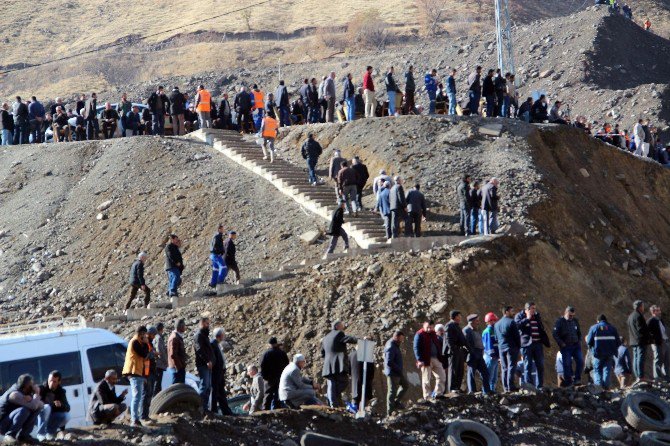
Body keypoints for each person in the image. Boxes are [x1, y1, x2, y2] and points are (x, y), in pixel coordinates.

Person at [321, 321, 357, 407]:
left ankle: (332, 400)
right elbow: (348, 339)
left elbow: (322, 353)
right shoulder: (339, 333)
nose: (343, 328)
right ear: (337, 327)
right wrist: (360, 340)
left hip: (328, 365)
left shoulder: (325, 338)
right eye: (342, 326)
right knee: (344, 381)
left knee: (331, 383)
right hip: (337, 364)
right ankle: (332, 397)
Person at [515, 302, 551, 389]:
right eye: (532, 308)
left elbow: (540, 327)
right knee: (528, 365)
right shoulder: (519, 316)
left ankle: (540, 385)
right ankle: (529, 385)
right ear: (527, 309)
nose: (534, 310)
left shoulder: (537, 316)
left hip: (537, 343)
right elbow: (516, 326)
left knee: (540, 365)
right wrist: (527, 318)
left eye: (535, 308)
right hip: (526, 345)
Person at [0, 374, 43, 442]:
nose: (33, 386)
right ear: (27, 385)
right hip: (2, 425)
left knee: (35, 409)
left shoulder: (25, 392)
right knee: (25, 410)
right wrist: (37, 393)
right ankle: (10, 435)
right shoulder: (15, 394)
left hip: (9, 421)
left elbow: (41, 405)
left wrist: (32, 400)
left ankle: (24, 436)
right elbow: (34, 406)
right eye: (32, 385)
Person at [122, 326, 150, 427]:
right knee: (137, 396)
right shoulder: (135, 342)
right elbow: (143, 354)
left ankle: (135, 418)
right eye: (144, 334)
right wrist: (146, 343)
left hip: (136, 371)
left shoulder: (137, 342)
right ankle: (134, 419)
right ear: (141, 334)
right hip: (133, 371)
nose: (145, 336)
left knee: (137, 396)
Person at [585, 314, 620, 389]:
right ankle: (606, 387)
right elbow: (618, 342)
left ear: (598, 321)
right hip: (609, 354)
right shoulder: (613, 328)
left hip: (597, 354)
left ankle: (598, 388)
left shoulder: (594, 327)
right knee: (607, 370)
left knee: (597, 370)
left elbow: (588, 341)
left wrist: (592, 349)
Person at [413, 320, 446, 399]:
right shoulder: (419, 334)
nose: (429, 329)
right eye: (427, 327)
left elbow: (437, 344)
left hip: (436, 358)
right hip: (425, 360)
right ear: (423, 325)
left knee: (441, 376)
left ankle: (438, 393)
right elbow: (416, 348)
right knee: (426, 379)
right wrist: (419, 360)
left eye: (430, 327)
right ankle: (427, 397)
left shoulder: (433, 334)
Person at [553, 306, 583, 387]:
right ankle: (568, 381)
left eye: (573, 315)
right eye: (570, 315)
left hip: (576, 345)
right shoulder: (560, 321)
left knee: (580, 361)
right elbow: (555, 334)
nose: (571, 317)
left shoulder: (575, 321)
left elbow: (579, 332)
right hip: (566, 346)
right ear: (566, 313)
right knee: (567, 363)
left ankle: (577, 379)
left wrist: (579, 340)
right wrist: (561, 343)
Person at [463, 314, 492, 394]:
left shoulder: (477, 329)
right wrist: (472, 352)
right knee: (471, 373)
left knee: (485, 372)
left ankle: (486, 390)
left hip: (479, 354)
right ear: (471, 322)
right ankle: (472, 391)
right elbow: (467, 344)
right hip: (472, 354)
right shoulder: (466, 330)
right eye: (477, 321)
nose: (478, 322)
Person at [494, 306, 520, 392]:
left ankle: (505, 388)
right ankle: (511, 386)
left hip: (501, 348)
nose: (514, 313)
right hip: (511, 347)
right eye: (512, 311)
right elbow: (517, 336)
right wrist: (518, 346)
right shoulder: (512, 322)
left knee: (504, 368)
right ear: (506, 312)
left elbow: (496, 338)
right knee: (511, 366)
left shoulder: (497, 324)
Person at [260, 337, 290, 410]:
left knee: (268, 395)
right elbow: (287, 364)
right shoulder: (282, 353)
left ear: (269, 344)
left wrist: (265, 377)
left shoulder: (266, 353)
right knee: (278, 394)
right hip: (281, 377)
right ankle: (278, 409)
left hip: (270, 379)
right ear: (276, 343)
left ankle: (265, 411)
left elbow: (262, 366)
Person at [211, 327, 233, 415]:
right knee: (216, 392)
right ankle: (214, 411)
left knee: (221, 393)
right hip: (216, 373)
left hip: (220, 372)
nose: (224, 337)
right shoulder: (213, 344)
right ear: (220, 335)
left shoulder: (217, 344)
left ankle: (226, 412)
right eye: (223, 335)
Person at [384, 330, 407, 416]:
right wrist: (398, 368)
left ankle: (396, 402)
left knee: (405, 385)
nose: (402, 341)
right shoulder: (391, 346)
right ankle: (390, 411)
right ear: (396, 337)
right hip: (392, 373)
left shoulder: (395, 344)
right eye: (401, 339)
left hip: (397, 372)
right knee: (391, 391)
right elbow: (389, 362)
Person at [628, 299, 651, 382]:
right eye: (642, 305)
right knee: (640, 358)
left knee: (636, 358)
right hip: (640, 341)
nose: (643, 307)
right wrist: (647, 337)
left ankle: (637, 376)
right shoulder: (638, 316)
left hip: (633, 340)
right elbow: (641, 329)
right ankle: (641, 376)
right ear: (640, 307)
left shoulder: (630, 316)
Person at [445, 311, 467, 393]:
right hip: (453, 351)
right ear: (455, 317)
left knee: (459, 370)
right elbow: (448, 340)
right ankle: (452, 388)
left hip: (459, 350)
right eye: (459, 316)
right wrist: (453, 349)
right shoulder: (449, 325)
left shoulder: (457, 326)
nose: (460, 317)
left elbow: (462, 339)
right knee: (453, 370)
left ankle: (457, 387)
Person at [648, 305, 670, 382]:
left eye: (659, 310)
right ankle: (657, 377)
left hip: (665, 342)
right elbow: (647, 333)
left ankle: (667, 376)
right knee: (658, 360)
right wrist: (653, 341)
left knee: (667, 360)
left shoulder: (660, 320)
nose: (659, 312)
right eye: (657, 311)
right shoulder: (651, 321)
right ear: (653, 312)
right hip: (657, 343)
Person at [141, 326, 158, 423]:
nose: (154, 337)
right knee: (146, 394)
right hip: (146, 373)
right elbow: (145, 357)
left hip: (150, 372)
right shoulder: (144, 344)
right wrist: (153, 353)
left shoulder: (149, 343)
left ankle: (146, 415)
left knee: (149, 394)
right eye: (153, 335)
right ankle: (143, 416)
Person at [482, 312, 499, 392]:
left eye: (495, 320)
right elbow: (488, 345)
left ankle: (492, 391)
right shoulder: (488, 331)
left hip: (495, 357)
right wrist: (492, 354)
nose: (494, 322)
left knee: (494, 377)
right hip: (490, 357)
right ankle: (486, 392)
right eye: (493, 320)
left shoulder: (494, 330)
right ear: (489, 321)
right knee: (489, 376)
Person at [208, 225, 228, 293]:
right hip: (216, 255)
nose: (223, 230)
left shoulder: (215, 236)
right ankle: (220, 281)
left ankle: (213, 283)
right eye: (222, 229)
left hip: (213, 255)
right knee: (223, 267)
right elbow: (215, 247)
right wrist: (220, 252)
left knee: (215, 269)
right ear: (219, 229)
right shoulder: (217, 236)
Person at [168, 318, 187, 384]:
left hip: (179, 367)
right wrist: (179, 367)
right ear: (181, 327)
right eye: (184, 326)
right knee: (176, 389)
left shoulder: (177, 337)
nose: (185, 328)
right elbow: (173, 355)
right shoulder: (174, 338)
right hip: (177, 368)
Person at [153, 323, 168, 395]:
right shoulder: (159, 338)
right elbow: (160, 351)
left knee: (158, 384)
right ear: (161, 329)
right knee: (157, 384)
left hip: (158, 363)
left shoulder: (155, 337)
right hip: (159, 364)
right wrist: (166, 361)